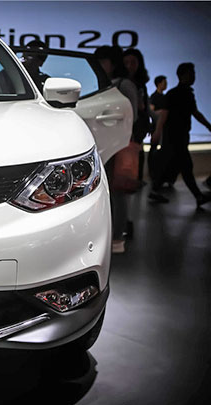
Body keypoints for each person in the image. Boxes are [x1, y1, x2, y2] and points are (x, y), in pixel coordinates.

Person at [95, 45, 138, 254]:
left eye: (103, 61)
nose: (100, 65)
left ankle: (118, 238)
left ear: (112, 63)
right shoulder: (102, 84)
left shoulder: (124, 85)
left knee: (118, 191)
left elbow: (132, 115)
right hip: (103, 144)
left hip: (120, 145)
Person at [150, 63, 211, 209]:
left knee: (174, 165)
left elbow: (193, 113)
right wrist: (157, 132)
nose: (194, 76)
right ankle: (198, 196)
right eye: (191, 73)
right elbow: (164, 115)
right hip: (175, 137)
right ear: (183, 75)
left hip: (177, 136)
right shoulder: (177, 94)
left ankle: (155, 189)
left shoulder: (179, 94)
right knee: (185, 166)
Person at [123, 49, 151, 183]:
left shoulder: (140, 84)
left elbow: (144, 106)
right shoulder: (123, 83)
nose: (130, 66)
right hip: (128, 125)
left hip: (139, 126)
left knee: (137, 153)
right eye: (126, 62)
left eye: (133, 62)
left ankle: (136, 180)